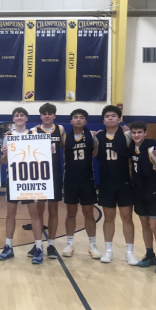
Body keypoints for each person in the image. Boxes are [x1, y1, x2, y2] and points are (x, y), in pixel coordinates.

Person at [0, 108, 44, 264]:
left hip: (30, 179)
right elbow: (4, 161)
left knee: (34, 215)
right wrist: (3, 156)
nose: (19, 117)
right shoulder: (8, 137)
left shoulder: (34, 135)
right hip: (13, 179)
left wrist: (48, 150)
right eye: (16, 115)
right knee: (10, 214)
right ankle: (8, 246)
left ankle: (39, 247)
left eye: (22, 115)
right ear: (13, 119)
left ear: (26, 118)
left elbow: (40, 155)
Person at [95, 105, 138, 265]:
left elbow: (140, 141)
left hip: (124, 182)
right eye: (107, 116)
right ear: (103, 120)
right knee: (108, 218)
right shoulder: (97, 138)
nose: (110, 118)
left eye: (114, 116)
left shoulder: (127, 136)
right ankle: (108, 250)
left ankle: (129, 251)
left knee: (127, 217)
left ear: (119, 119)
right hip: (106, 183)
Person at [128, 121, 156, 273]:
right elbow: (125, 130)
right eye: (134, 133)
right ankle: (150, 254)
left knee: (154, 225)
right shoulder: (132, 147)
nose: (136, 135)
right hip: (138, 191)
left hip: (152, 191)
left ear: (145, 133)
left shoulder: (153, 148)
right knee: (144, 223)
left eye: (140, 132)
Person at [62, 109, 101, 259]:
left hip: (87, 179)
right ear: (71, 121)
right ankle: (69, 243)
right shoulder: (65, 137)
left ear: (86, 121)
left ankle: (92, 245)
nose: (78, 120)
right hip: (70, 179)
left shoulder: (91, 136)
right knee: (71, 214)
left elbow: (95, 152)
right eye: (75, 117)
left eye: (81, 118)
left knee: (89, 214)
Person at [34, 103, 65, 260]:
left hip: (55, 174)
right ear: (40, 116)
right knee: (38, 211)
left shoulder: (60, 130)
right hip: (39, 175)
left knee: (53, 210)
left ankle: (51, 244)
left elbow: (68, 146)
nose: (47, 116)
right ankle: (38, 243)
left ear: (54, 116)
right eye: (44, 113)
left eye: (50, 113)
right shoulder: (34, 131)